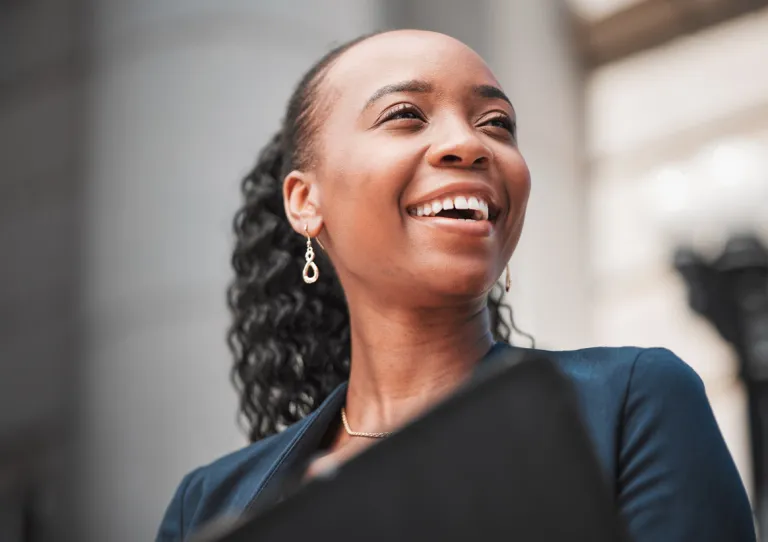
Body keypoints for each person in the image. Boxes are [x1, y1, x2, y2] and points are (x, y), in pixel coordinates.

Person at [156, 30, 755, 541]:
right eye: (405, 115)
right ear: (305, 201)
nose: (470, 144)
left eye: (497, 124)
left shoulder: (630, 400)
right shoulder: (209, 504)